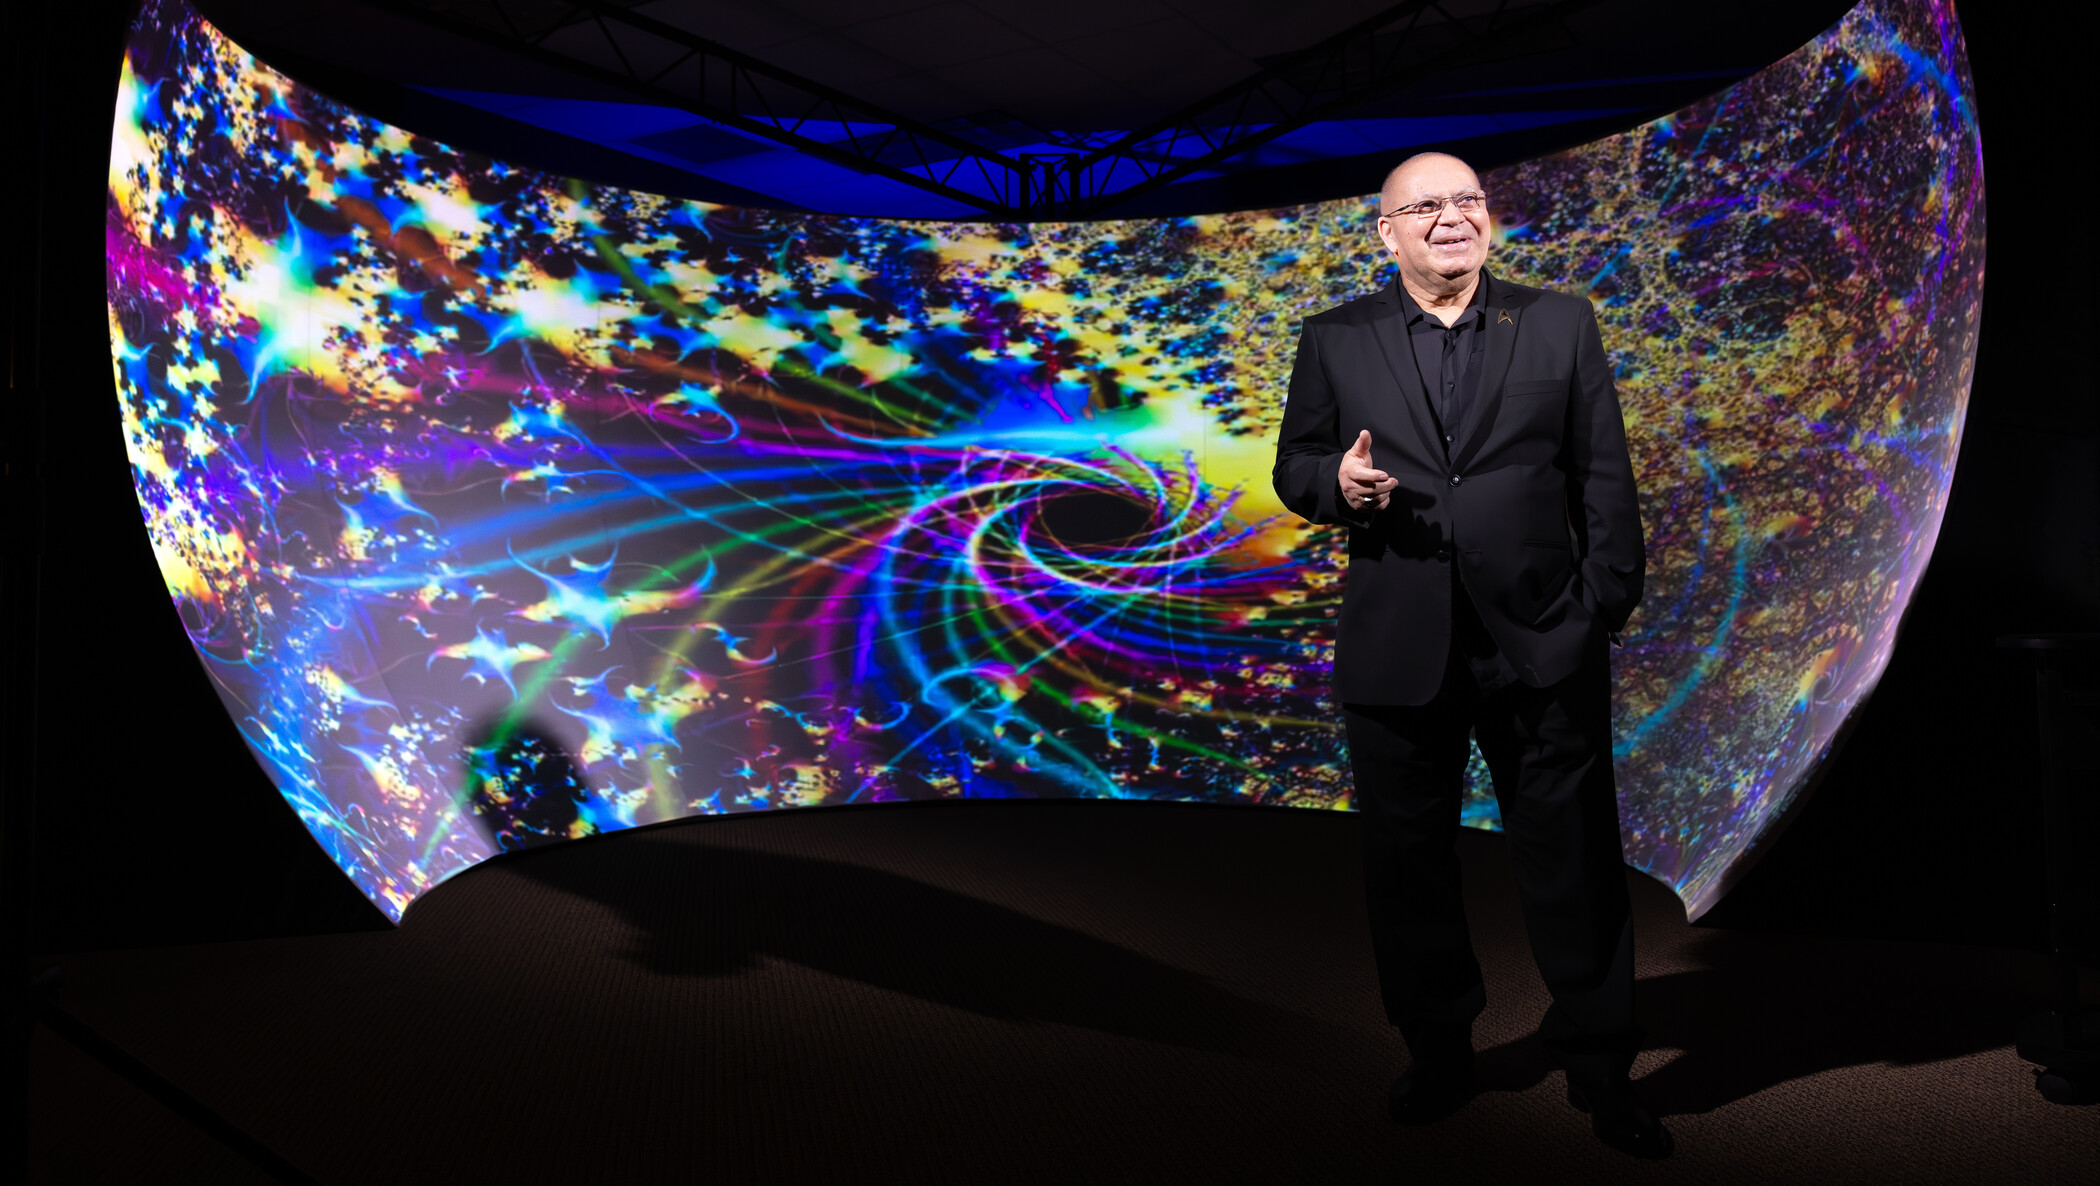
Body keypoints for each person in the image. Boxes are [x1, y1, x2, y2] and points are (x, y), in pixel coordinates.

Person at [1270, 152, 1667, 1158]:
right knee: (1409, 868)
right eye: (1427, 206)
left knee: (1575, 862)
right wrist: (1335, 487)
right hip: (1398, 648)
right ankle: (1440, 1052)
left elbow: (1603, 473)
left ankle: (1601, 1064)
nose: (1452, 218)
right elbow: (1296, 465)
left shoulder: (1560, 322)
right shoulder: (1333, 336)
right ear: (1386, 232)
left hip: (1543, 641)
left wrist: (1598, 606)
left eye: (1468, 200)